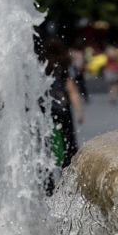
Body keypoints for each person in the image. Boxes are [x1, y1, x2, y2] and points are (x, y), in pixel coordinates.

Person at [43, 38, 84, 169]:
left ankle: (48, 183)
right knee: (68, 143)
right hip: (62, 108)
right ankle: (66, 175)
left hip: (45, 108)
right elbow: (71, 89)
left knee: (46, 142)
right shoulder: (65, 65)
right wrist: (79, 111)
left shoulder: (42, 65)